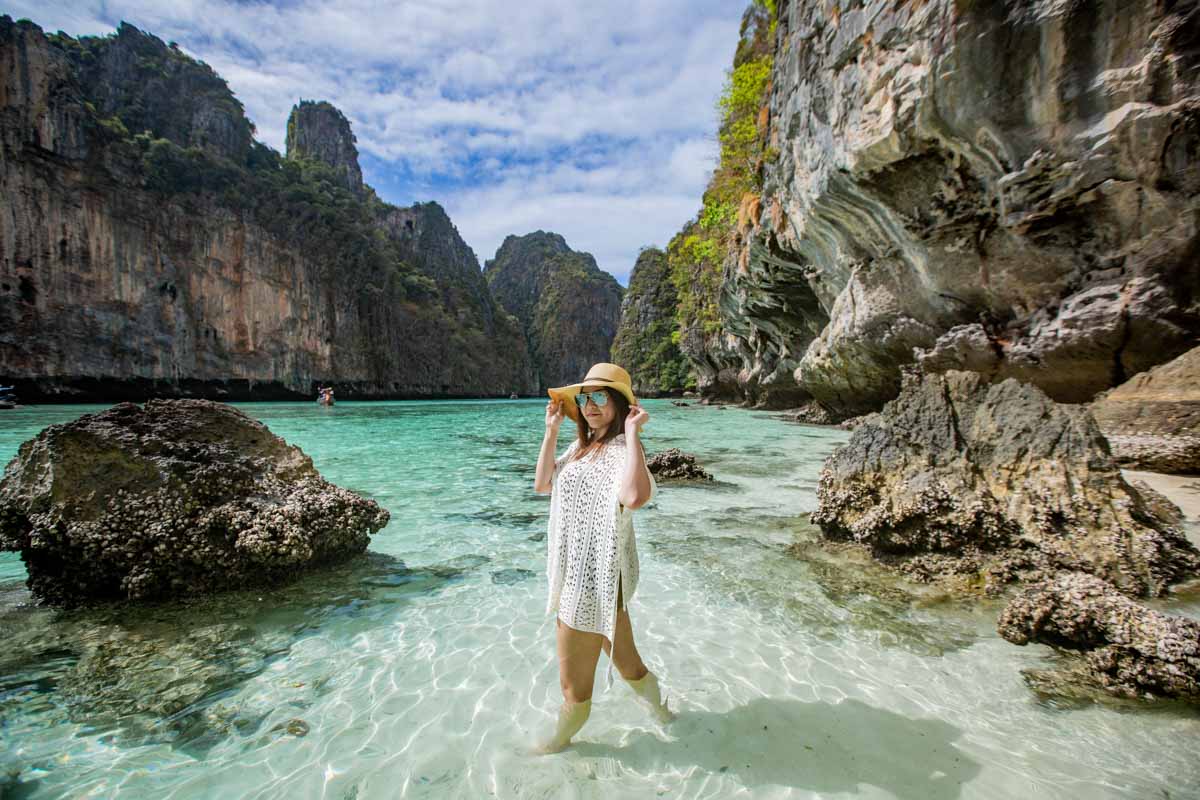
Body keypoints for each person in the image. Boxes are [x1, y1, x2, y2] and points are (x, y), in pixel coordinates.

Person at [531, 362, 674, 754]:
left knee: (573, 692)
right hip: (593, 581)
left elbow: (634, 497)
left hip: (590, 585)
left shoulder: (622, 450)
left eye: (599, 397)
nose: (590, 405)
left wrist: (632, 434)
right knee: (630, 667)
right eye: (584, 397)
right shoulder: (581, 447)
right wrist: (551, 430)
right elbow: (543, 483)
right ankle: (665, 715)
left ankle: (552, 746)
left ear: (617, 402)